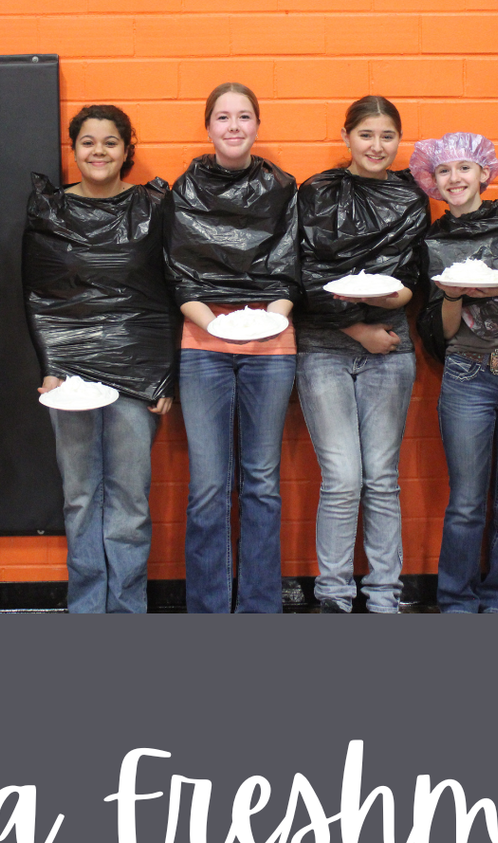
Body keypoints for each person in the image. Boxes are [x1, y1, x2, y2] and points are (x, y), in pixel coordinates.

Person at [24, 104, 179, 613]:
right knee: (81, 497)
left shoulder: (154, 207)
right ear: (74, 150)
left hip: (136, 372)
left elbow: (168, 293)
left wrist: (163, 378)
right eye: (88, 142)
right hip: (70, 377)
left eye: (110, 142)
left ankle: (127, 608)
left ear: (126, 149)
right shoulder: (48, 209)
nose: (98, 151)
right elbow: (38, 294)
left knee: (130, 502)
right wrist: (50, 366)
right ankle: (88, 609)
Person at [164, 83, 300, 613]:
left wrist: (263, 323)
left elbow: (292, 270)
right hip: (203, 343)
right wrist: (216, 328)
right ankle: (209, 608)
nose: (235, 126)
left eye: (245, 116)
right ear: (208, 127)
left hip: (271, 342)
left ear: (258, 125)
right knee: (208, 486)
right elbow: (177, 274)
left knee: (262, 484)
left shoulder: (283, 188)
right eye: (223, 117)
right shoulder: (184, 190)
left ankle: (259, 608)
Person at [295, 96, 429, 613]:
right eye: (367, 134)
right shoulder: (317, 192)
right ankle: (333, 593)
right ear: (347, 136)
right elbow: (303, 276)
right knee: (343, 477)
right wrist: (357, 328)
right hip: (327, 347)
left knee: (381, 476)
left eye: (388, 136)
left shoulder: (412, 200)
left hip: (390, 345)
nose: (378, 146)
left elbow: (413, 280)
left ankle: (383, 595)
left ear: (399, 140)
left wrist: (392, 301)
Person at [412, 133, 498, 613]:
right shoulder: (431, 242)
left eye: (465, 168)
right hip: (467, 374)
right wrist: (453, 294)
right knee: (467, 503)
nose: (455, 178)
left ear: (484, 174)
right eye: (444, 171)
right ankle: (456, 600)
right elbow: (440, 332)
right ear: (433, 180)